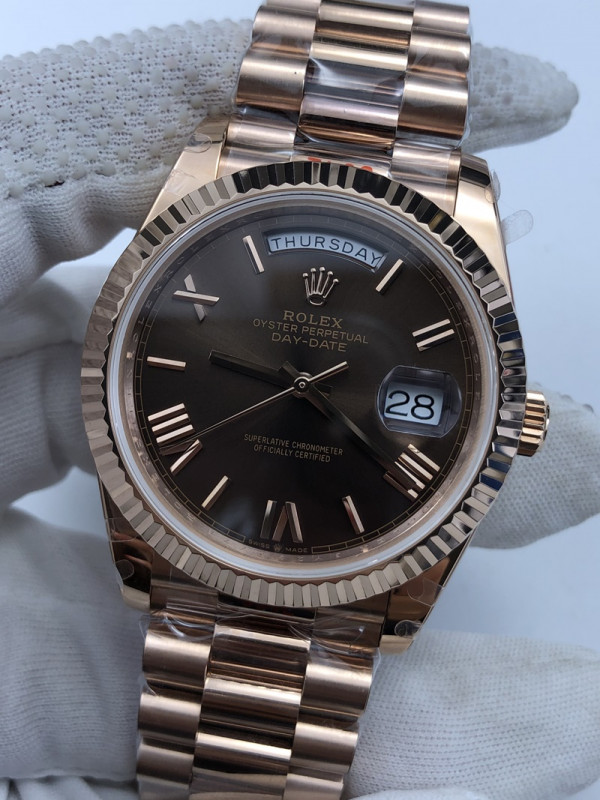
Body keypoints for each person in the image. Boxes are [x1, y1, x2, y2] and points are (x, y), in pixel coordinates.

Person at [0, 14, 598, 800]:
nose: (308, 387)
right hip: (212, 529)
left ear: (513, 420)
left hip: (308, 541)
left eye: (322, 382)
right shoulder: (204, 204)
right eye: (303, 384)